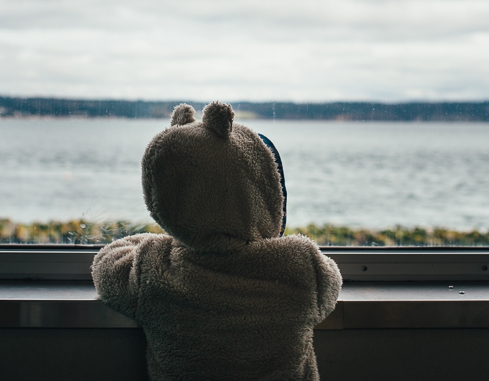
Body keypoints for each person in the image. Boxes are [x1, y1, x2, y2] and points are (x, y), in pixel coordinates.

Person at [92, 102, 342, 381]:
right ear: (266, 190)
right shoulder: (301, 265)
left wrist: (153, 241)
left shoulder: (152, 266)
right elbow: (331, 285)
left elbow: (106, 263)